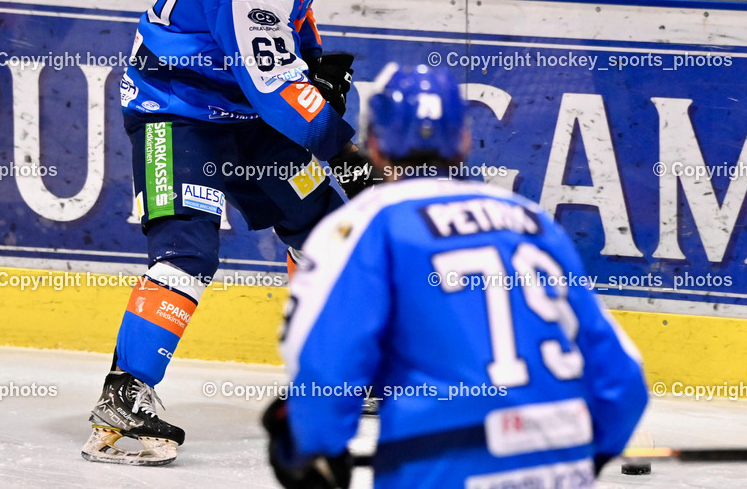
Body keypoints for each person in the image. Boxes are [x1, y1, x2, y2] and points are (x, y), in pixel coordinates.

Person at [81, 0, 376, 466]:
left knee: (323, 227)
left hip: (240, 112)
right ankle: (125, 393)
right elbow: (271, 81)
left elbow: (290, 21)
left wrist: (316, 62)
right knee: (187, 250)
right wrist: (340, 146)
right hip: (174, 110)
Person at [264, 64, 649, 488]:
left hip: (439, 467)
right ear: (464, 140)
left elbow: (325, 366)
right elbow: (623, 378)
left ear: (373, 144)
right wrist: (585, 456)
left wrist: (313, 446)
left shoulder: (363, 226)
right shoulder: (534, 223)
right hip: (556, 465)